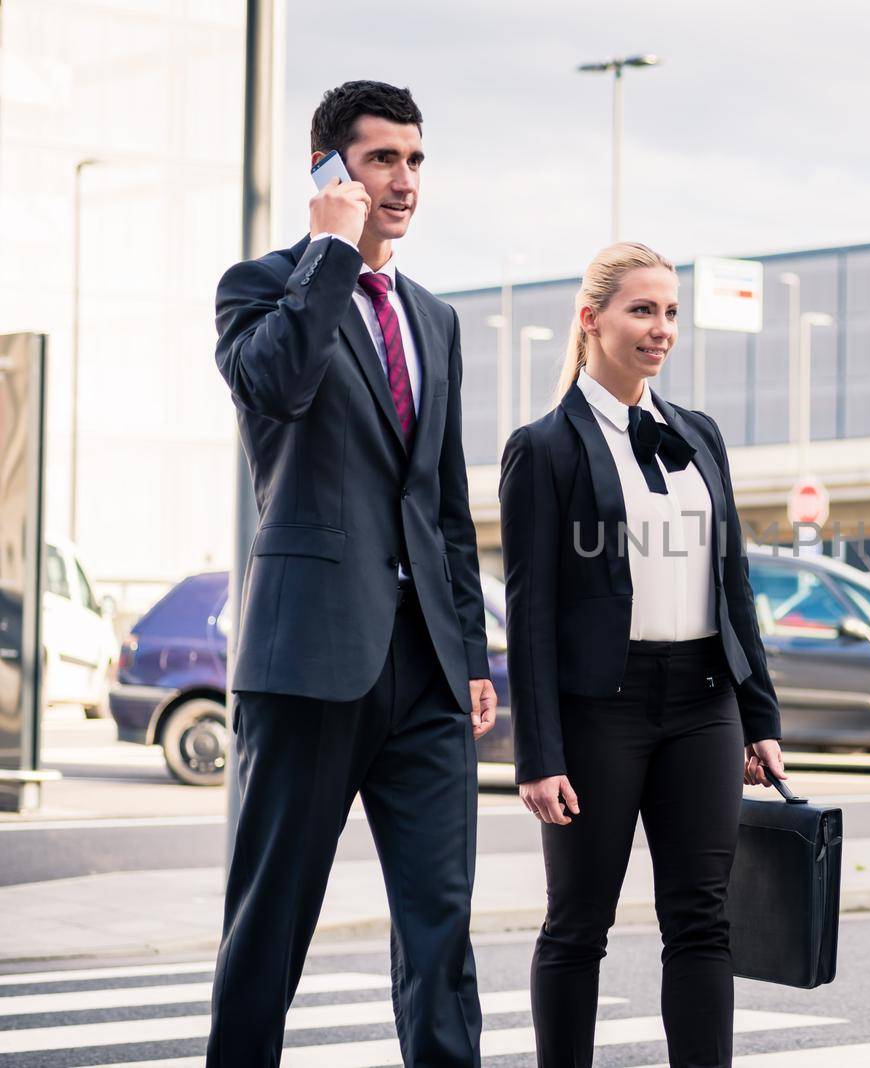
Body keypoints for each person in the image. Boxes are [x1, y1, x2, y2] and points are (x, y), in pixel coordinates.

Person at [207, 80, 496, 1067]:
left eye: (414, 159)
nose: (404, 181)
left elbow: (444, 504)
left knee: (440, 927)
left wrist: (473, 653)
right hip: (309, 660)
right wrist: (331, 252)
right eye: (381, 160)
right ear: (330, 171)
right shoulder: (259, 287)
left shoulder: (436, 320)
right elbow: (280, 384)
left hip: (425, 674)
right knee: (270, 925)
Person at [499, 241, 786, 1067]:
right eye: (642, 310)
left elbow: (733, 587)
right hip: (600, 712)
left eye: (670, 313)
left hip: (704, 702)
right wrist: (538, 754)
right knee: (578, 924)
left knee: (702, 921)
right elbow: (531, 613)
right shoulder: (544, 447)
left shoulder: (700, 435)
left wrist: (758, 716)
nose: (660, 329)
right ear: (591, 321)